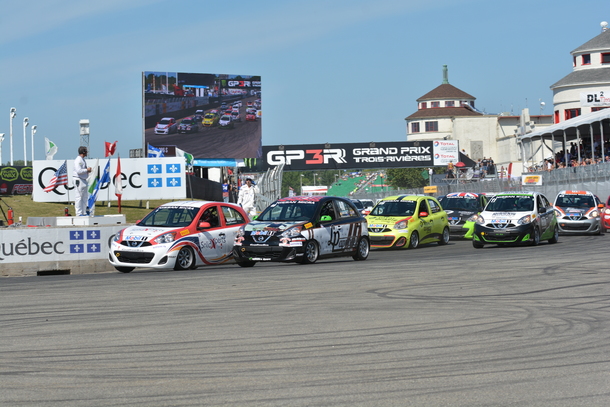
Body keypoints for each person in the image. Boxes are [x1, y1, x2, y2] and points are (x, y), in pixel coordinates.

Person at [73, 146, 92, 216]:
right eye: (86, 151)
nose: (87, 152)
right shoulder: (78, 160)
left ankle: (83, 212)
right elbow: (78, 171)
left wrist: (87, 170)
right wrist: (87, 170)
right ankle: (78, 213)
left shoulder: (82, 159)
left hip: (83, 180)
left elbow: (81, 170)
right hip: (78, 179)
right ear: (83, 152)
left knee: (84, 197)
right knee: (79, 196)